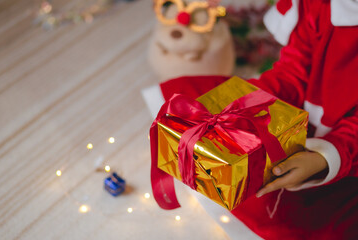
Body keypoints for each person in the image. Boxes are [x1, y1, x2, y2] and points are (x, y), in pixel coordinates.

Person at [143, 0, 358, 238]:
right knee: (194, 111)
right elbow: (293, 72)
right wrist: (242, 105)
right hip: (298, 121)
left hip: (348, 153)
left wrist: (324, 159)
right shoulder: (322, 5)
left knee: (296, 217)